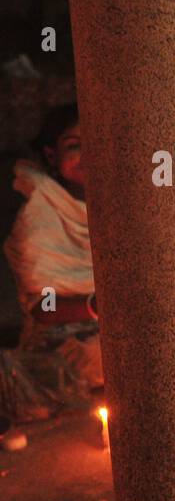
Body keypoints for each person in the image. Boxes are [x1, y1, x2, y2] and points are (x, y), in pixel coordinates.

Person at [3, 103, 103, 421]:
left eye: (97, 141)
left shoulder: (124, 201)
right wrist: (95, 306)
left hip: (114, 328)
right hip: (59, 340)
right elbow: (42, 307)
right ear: (50, 155)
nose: (88, 155)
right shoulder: (39, 205)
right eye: (74, 146)